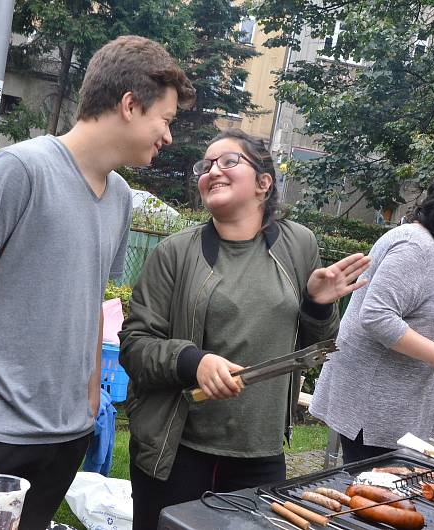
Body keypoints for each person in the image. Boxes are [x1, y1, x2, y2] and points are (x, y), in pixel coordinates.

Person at [0, 35, 195, 529]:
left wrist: (90, 398)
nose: (168, 136)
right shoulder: (21, 170)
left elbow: (90, 302)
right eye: (166, 120)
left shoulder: (120, 198)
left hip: (65, 435)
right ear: (130, 105)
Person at [119, 129, 371, 529]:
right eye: (206, 165)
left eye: (228, 161)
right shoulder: (176, 252)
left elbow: (317, 347)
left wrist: (318, 305)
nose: (211, 171)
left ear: (263, 183)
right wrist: (193, 362)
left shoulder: (298, 245)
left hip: (260, 452)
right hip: (179, 449)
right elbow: (135, 345)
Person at [309, 167, 434, 464]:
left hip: (407, 409)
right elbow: (377, 315)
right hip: (373, 408)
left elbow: (424, 316)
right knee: (368, 496)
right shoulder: (414, 246)